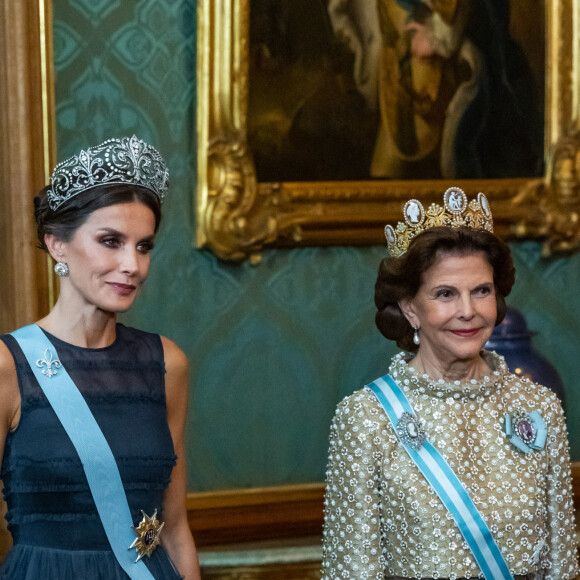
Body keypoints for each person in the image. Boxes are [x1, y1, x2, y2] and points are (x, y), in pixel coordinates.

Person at [321, 187, 578, 579]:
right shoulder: (366, 418)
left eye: (482, 291)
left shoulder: (539, 406)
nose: (468, 311)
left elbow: (563, 564)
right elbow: (352, 571)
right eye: (445, 294)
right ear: (410, 308)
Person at [0, 136, 201, 579]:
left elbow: (176, 530)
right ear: (57, 245)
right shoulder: (8, 366)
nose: (133, 264)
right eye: (111, 241)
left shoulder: (168, 363)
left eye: (144, 246)